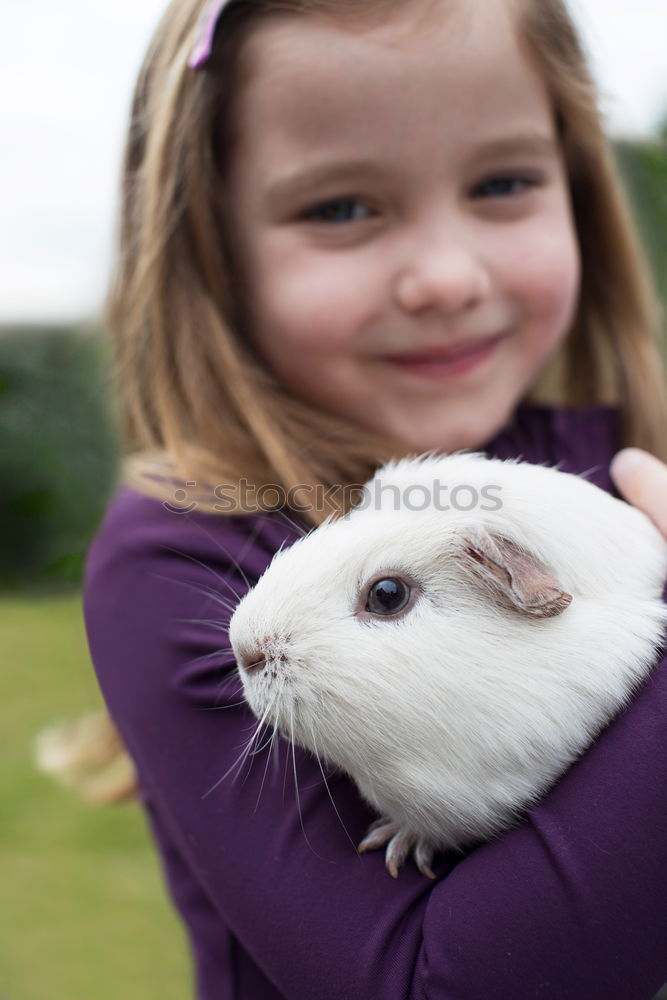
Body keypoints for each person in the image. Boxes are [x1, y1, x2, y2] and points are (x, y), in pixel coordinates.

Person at [83, 0, 667, 995]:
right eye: (341, 207)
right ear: (211, 245)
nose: (444, 277)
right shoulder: (176, 550)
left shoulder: (625, 453)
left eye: (502, 182)